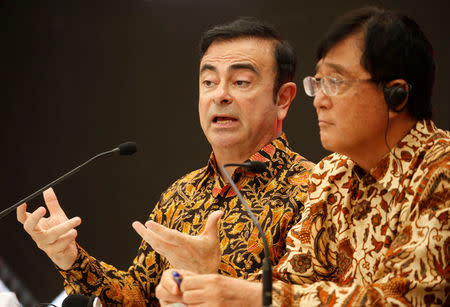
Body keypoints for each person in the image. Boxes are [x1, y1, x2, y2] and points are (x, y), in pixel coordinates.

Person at [156, 7, 450, 306]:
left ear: (395, 96)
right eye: (318, 83)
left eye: (335, 82)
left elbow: (404, 299)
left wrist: (250, 295)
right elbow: (292, 281)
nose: (319, 101)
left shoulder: (442, 170)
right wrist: (206, 281)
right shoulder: (332, 176)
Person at [16, 18, 314, 306]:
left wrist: (209, 279)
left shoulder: (314, 191)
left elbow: (306, 301)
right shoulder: (182, 193)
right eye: (209, 81)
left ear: (283, 99)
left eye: (240, 81)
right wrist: (69, 257)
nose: (220, 95)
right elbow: (137, 299)